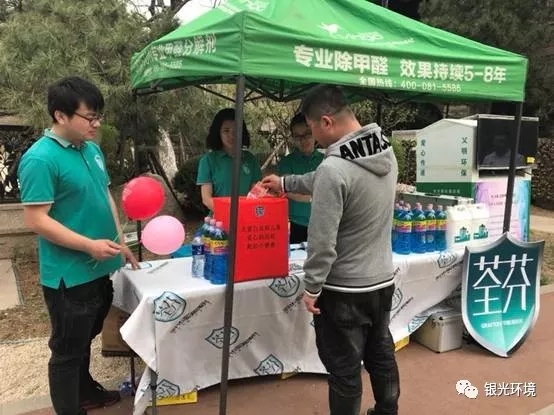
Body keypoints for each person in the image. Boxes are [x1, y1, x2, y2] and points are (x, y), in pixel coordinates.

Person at [262, 84, 400, 415]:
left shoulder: (334, 169)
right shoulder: (383, 151)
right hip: (381, 280)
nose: (313, 136)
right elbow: (327, 178)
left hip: (344, 291)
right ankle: (387, 411)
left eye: (311, 128)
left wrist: (312, 287)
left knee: (344, 370)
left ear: (326, 122)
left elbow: (322, 241)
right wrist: (285, 183)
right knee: (380, 353)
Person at [17, 76, 138, 415]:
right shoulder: (40, 159)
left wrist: (120, 242)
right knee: (67, 350)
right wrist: (88, 246)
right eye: (90, 117)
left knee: (86, 337)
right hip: (68, 276)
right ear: (60, 115)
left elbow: (104, 195)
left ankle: (85, 393)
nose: (96, 124)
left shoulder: (91, 150)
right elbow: (36, 219)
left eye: (98, 116)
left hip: (100, 266)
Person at [196, 108, 262, 212]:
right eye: (226, 130)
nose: (231, 135)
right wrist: (228, 213)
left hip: (246, 216)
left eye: (236, 130)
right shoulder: (208, 161)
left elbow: (256, 192)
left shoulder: (250, 159)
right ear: (218, 133)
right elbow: (206, 199)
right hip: (218, 218)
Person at [277, 113, 324, 243]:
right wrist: (314, 197)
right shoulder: (286, 162)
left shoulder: (326, 160)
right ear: (292, 138)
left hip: (321, 223)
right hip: (295, 224)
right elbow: (286, 190)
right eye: (297, 136)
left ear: (315, 132)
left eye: (307, 134)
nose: (303, 140)